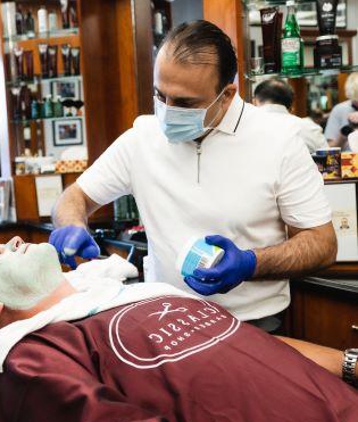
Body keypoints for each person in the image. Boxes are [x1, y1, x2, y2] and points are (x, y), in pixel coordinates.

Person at [49, 20, 337, 332]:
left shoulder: (279, 141)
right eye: (161, 96)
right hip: (165, 323)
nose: (168, 112)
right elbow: (74, 197)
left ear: (227, 95)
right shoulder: (142, 137)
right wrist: (72, 225)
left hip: (254, 327)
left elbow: (322, 244)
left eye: (185, 103)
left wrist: (249, 263)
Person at [0, 237, 358, 422]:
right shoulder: (36, 353)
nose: (16, 239)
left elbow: (251, 344)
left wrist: (351, 364)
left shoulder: (140, 294)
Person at [252, 78, 328, 153]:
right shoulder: (309, 128)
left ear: (254, 102)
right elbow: (330, 160)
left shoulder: (245, 128)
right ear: (291, 108)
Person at [325, 72, 358, 150]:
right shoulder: (339, 110)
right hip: (348, 159)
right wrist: (343, 135)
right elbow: (330, 147)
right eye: (355, 100)